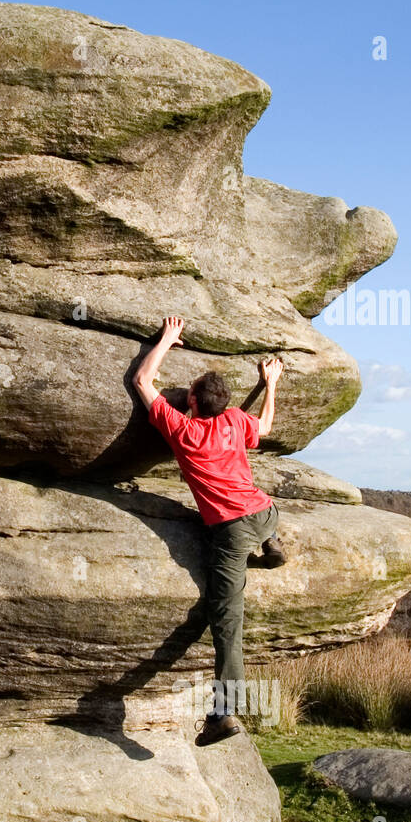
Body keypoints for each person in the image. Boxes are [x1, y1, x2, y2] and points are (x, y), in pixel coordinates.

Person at [131, 315, 287, 746]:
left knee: (226, 623)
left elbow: (143, 380)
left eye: (189, 392)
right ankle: (271, 541)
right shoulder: (236, 420)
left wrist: (164, 339)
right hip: (265, 510)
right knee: (266, 507)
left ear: (193, 402)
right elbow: (267, 427)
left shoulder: (182, 430)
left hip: (232, 531)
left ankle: (224, 713)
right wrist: (270, 383)